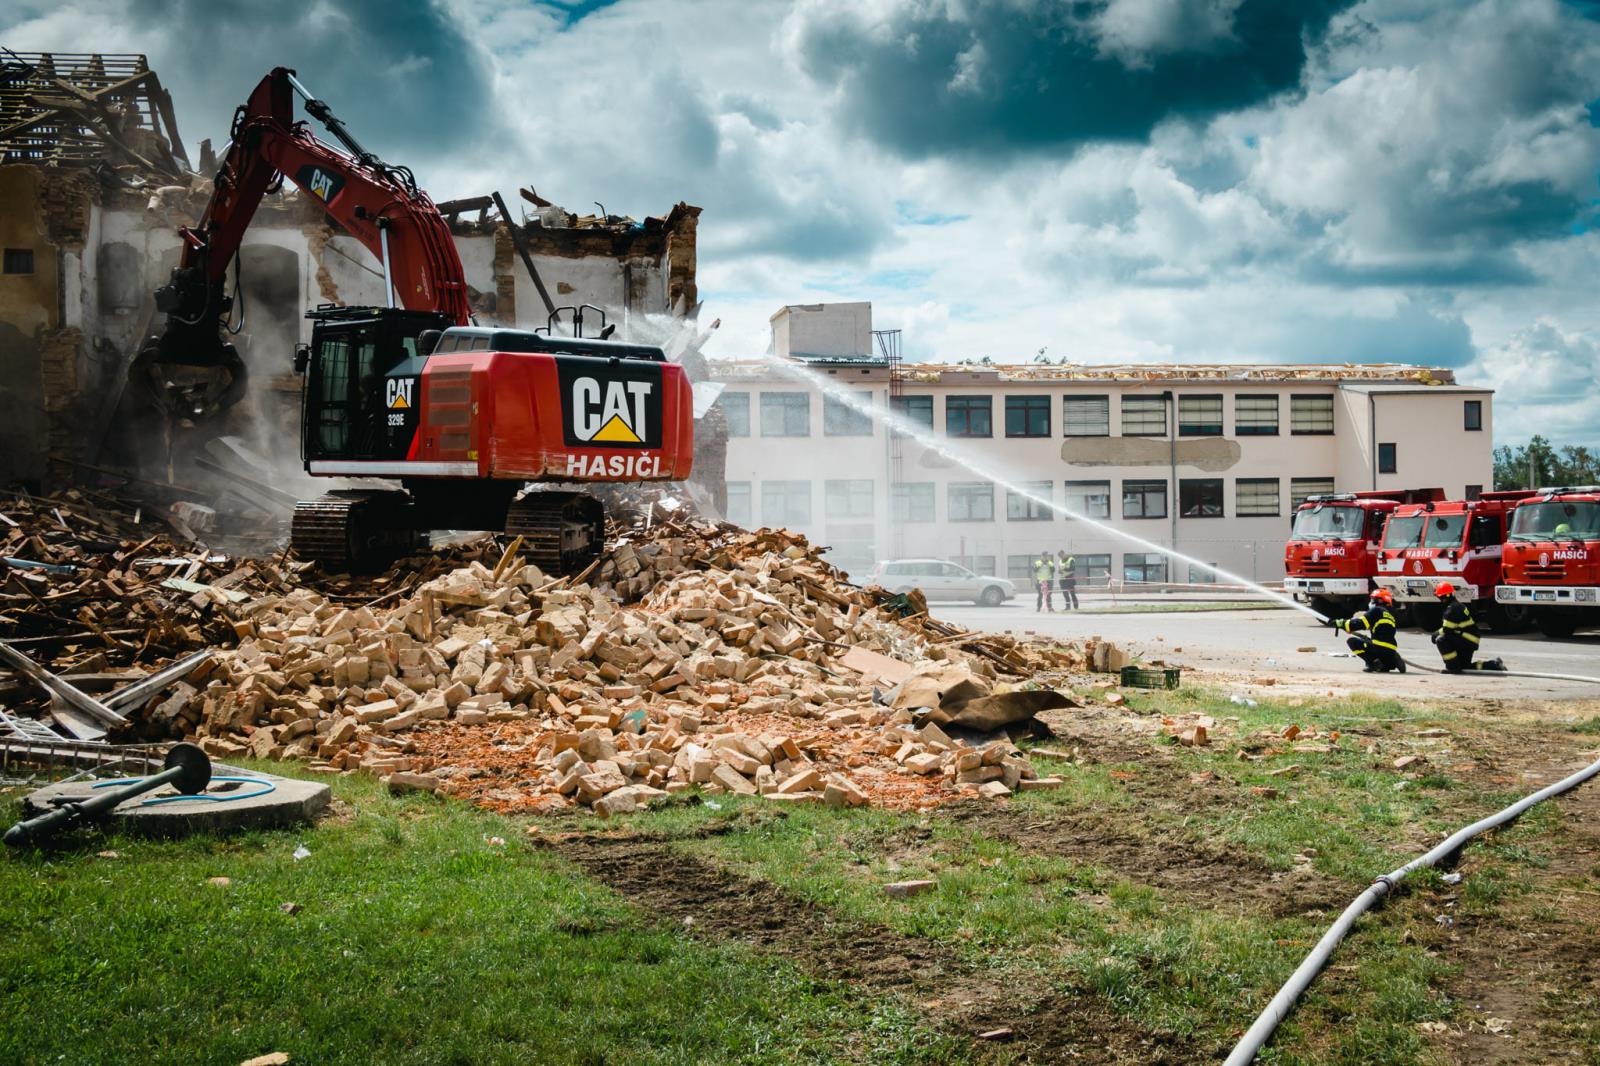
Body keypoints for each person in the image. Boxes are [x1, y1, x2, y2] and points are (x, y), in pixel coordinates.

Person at [1430, 582, 1505, 672]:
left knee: (1440, 639)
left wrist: (1434, 635)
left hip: (1466, 640)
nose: (1439, 600)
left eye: (1439, 597)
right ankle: (1494, 664)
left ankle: (1452, 667)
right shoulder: (1457, 605)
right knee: (1465, 666)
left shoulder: (1451, 610)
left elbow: (1446, 630)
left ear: (1444, 597)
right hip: (1469, 640)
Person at [1333, 587, 1406, 673]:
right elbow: (1374, 626)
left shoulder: (1377, 610)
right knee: (1382, 661)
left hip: (1379, 648)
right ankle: (1390, 662)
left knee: (1352, 642)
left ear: (1380, 601)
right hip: (1390, 650)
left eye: (1373, 599)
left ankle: (1372, 663)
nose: (1371, 601)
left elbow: (1361, 623)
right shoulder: (1390, 614)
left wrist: (1342, 623)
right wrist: (1349, 628)